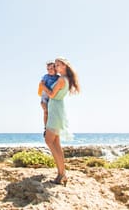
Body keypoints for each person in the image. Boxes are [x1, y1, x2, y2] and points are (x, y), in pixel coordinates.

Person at [43, 56, 81, 186]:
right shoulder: (66, 79)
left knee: (49, 140)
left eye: (58, 65)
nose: (56, 67)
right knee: (56, 143)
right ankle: (61, 173)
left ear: (64, 66)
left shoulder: (61, 79)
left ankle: (62, 173)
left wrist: (43, 86)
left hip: (55, 110)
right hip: (57, 109)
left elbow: (52, 95)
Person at [38, 60, 60, 136]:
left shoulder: (58, 78)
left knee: (52, 113)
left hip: (52, 98)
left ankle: (53, 128)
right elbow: (42, 84)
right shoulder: (46, 76)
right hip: (44, 97)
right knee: (46, 111)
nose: (49, 70)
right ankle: (45, 128)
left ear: (55, 69)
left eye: (51, 68)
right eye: (48, 69)